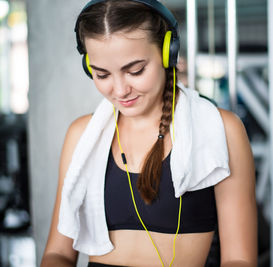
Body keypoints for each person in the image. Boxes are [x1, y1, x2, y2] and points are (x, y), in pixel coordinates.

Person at [41, 1, 257, 267]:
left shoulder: (223, 130)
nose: (120, 90)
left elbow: (239, 259)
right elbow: (58, 253)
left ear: (169, 53)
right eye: (102, 74)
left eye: (135, 70)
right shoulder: (81, 135)